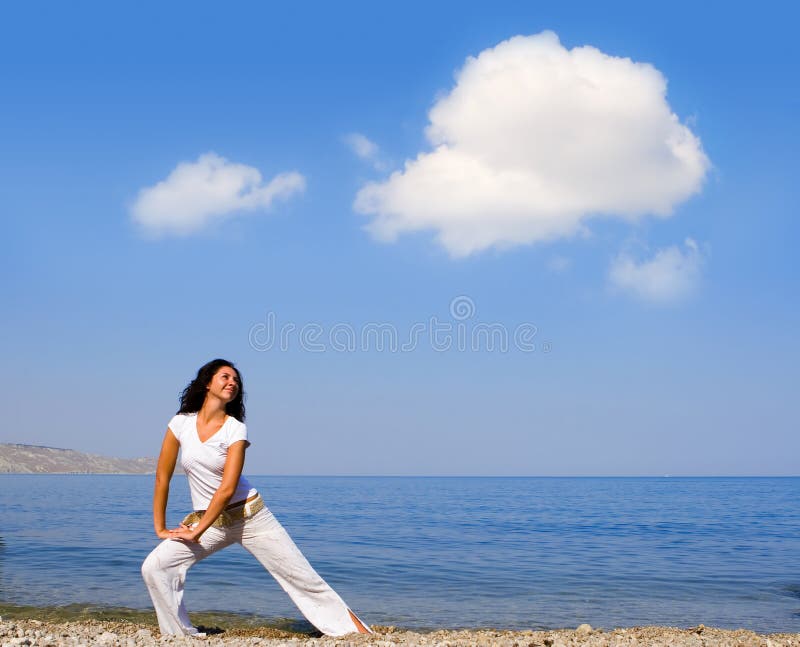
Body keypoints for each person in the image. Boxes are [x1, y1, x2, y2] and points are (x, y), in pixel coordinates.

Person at [141, 358, 371, 637]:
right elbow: (162, 477)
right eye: (225, 377)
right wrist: (160, 527)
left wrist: (196, 531)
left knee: (302, 579)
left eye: (236, 380)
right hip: (210, 522)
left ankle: (358, 635)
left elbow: (226, 489)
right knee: (156, 566)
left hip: (250, 516)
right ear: (207, 383)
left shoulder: (234, 429)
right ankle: (178, 635)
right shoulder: (180, 424)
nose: (232, 382)